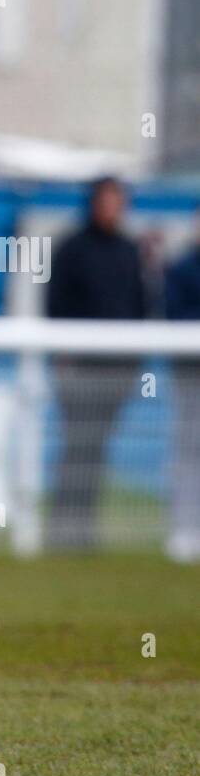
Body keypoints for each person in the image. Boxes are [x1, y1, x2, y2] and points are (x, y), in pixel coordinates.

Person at [45, 177, 148, 550]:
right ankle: (63, 531)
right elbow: (55, 305)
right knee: (75, 447)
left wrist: (133, 362)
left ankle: (85, 532)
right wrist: (63, 356)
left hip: (115, 371)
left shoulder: (128, 250)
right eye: (105, 200)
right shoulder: (73, 248)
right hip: (79, 370)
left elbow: (140, 306)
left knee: (97, 450)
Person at [163, 215, 200, 563]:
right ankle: (183, 531)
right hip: (190, 375)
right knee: (188, 452)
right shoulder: (182, 269)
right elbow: (174, 316)